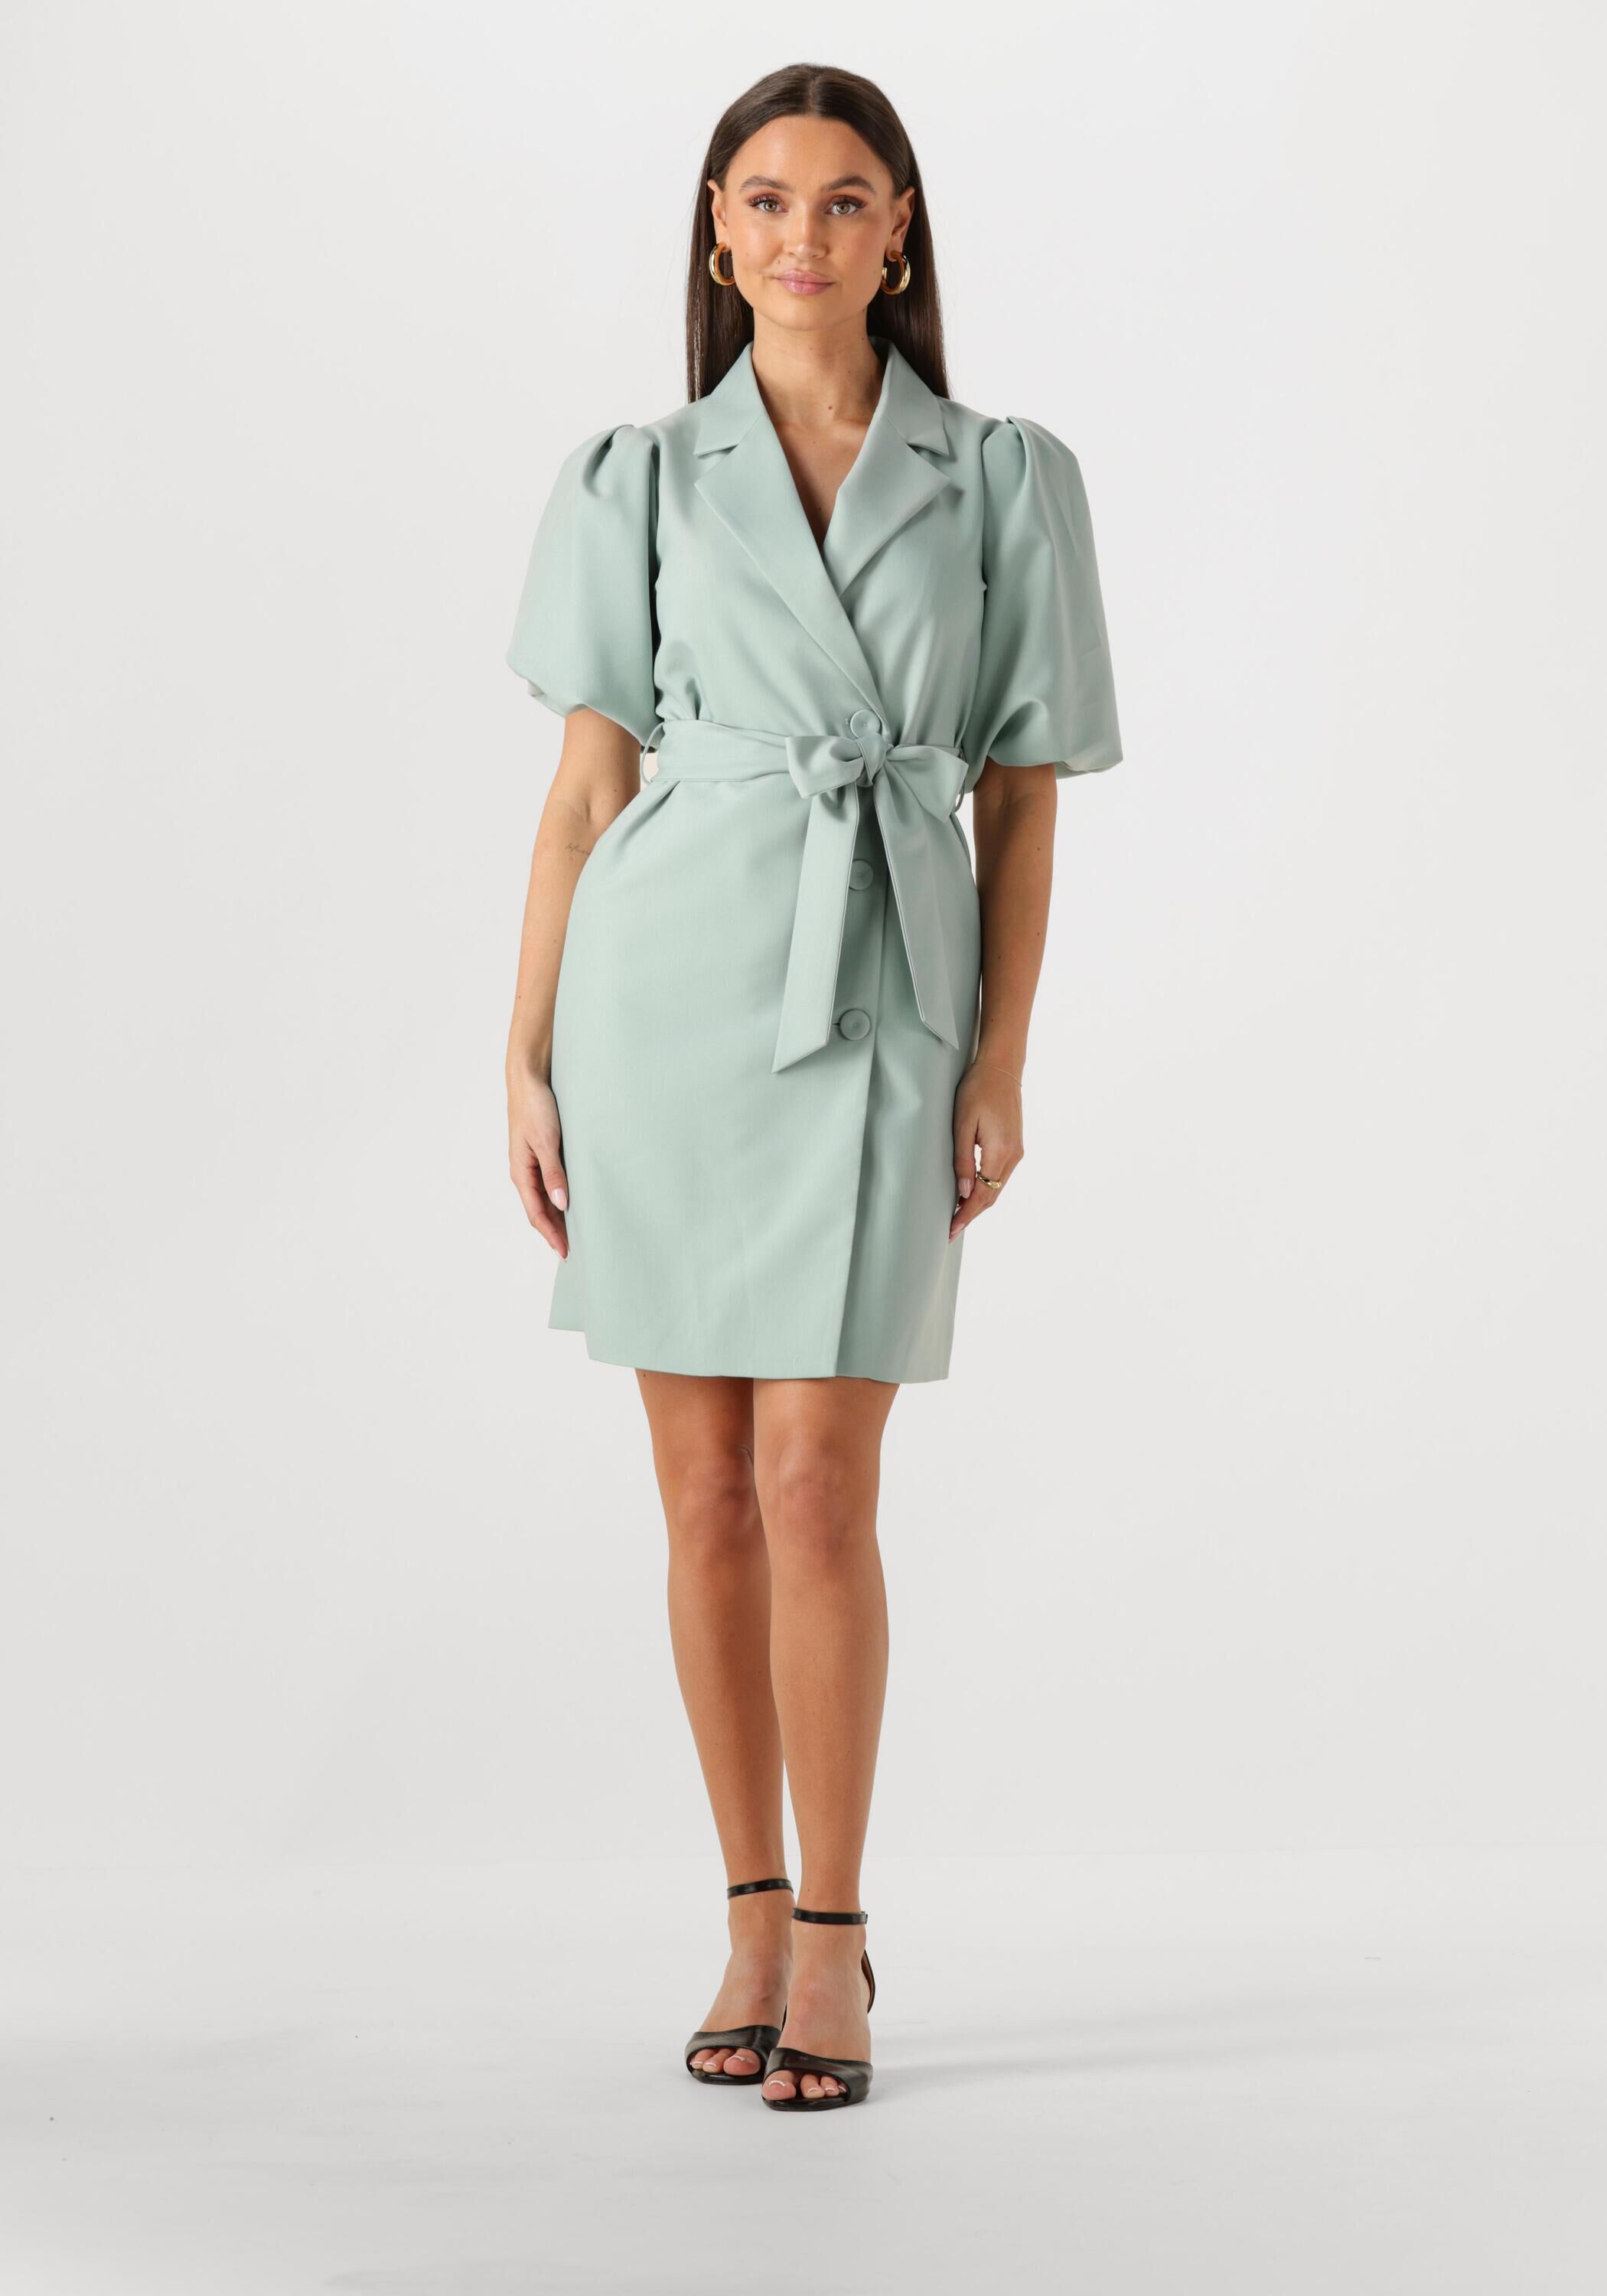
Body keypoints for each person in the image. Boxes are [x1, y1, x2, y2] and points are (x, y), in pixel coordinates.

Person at [502, 62, 1122, 2112]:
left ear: (898, 233)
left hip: (880, 989)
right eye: (763, 199)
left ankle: (839, 1936)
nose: (801, 235)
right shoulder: (633, 476)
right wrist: (525, 1048)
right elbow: (584, 789)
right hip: (664, 996)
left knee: (817, 1485)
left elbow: (1020, 793)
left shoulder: (1002, 475)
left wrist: (1002, 1052)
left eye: (844, 200)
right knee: (698, 1491)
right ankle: (750, 1916)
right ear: (716, 229)